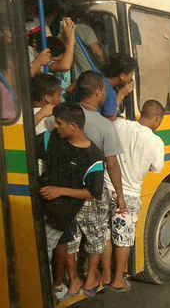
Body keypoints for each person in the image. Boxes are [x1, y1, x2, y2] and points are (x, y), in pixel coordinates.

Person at [45, 71, 126, 295]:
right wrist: (119, 195)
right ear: (99, 92)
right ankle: (90, 279)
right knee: (96, 238)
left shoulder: (59, 117)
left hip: (65, 191)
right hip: (91, 191)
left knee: (69, 239)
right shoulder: (105, 126)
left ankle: (73, 280)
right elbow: (111, 164)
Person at [37, 102, 105, 299]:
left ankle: (44, 295)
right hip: (40, 207)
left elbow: (93, 192)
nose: (55, 126)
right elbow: (21, 141)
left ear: (73, 126)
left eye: (59, 123)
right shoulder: (53, 139)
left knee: (43, 253)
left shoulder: (94, 156)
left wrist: (60, 191)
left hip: (60, 214)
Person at [107, 100, 165, 291]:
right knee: (124, 239)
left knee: (104, 234)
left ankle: (105, 273)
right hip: (128, 195)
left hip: (106, 188)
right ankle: (117, 280)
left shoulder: (119, 124)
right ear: (157, 119)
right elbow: (156, 168)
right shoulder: (156, 142)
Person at [101, 53, 136, 120]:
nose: (132, 77)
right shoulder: (108, 91)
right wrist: (120, 95)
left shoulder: (97, 76)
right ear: (122, 76)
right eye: (131, 74)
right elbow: (110, 120)